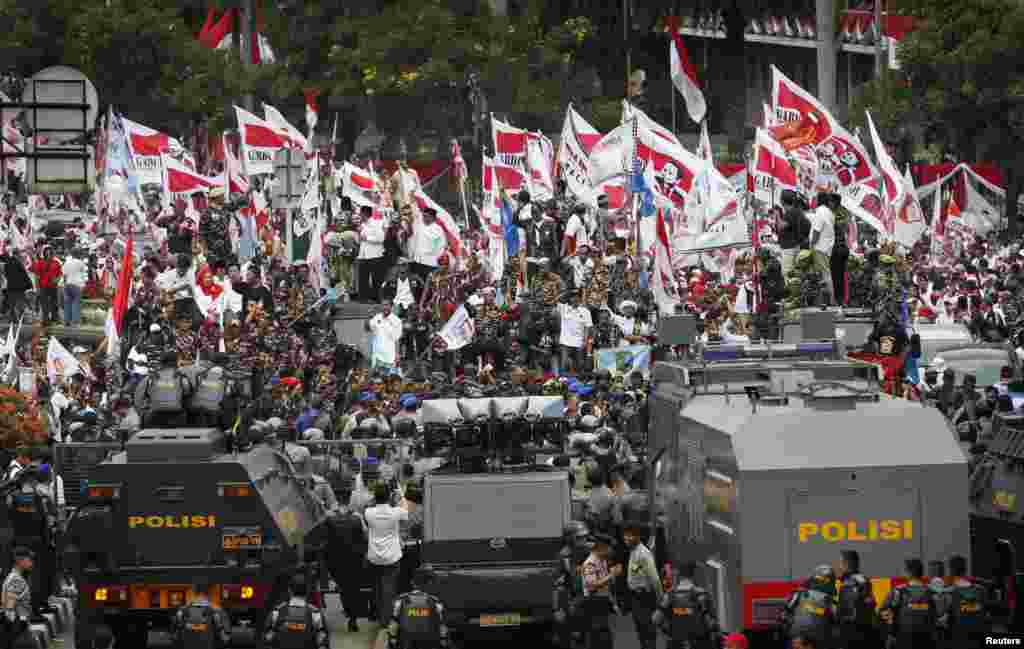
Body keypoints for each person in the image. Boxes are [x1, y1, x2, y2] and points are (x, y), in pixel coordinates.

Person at [364, 481, 410, 626]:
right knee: (389, 590)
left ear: (375, 497)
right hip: (392, 557)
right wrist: (400, 496)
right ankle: (386, 621)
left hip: (374, 557)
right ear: (389, 496)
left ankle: (379, 616)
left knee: (377, 588)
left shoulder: (368, 513)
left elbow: (368, 505)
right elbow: (406, 511)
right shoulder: (395, 512)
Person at [653, 560, 718, 649]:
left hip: (676, 643)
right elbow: (711, 624)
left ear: (680, 576)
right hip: (699, 644)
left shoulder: (669, 596)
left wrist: (668, 632)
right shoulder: (701, 595)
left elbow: (655, 619)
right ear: (694, 575)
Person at [327, 504, 368, 632]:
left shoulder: (329, 517)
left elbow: (326, 540)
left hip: (337, 560)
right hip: (355, 559)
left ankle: (349, 612)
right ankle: (353, 618)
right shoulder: (357, 517)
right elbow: (365, 536)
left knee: (343, 588)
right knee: (354, 588)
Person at [879, 558, 937, 649]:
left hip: (903, 641)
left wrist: (890, 633)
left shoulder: (897, 592)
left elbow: (884, 614)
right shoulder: (932, 593)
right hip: (927, 641)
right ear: (921, 573)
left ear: (907, 572)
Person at [263, 574, 330, 649]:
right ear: (307, 591)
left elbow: (267, 639)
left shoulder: (277, 612)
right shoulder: (315, 613)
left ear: (289, 590)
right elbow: (322, 641)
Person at [623, 523, 662, 649]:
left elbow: (655, 579)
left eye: (630, 536)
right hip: (636, 598)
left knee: (647, 633)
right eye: (625, 535)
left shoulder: (644, 554)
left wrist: (660, 601)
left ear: (637, 537)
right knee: (641, 632)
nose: (626, 538)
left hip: (644, 598)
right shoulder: (633, 552)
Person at [553, 522, 590, 649]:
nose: (584, 540)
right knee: (570, 635)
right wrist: (559, 608)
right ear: (570, 539)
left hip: (590, 600)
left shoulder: (591, 552)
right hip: (573, 601)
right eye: (580, 538)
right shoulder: (565, 556)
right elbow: (559, 584)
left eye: (585, 537)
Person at [940, 554, 990, 649]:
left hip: (960, 636)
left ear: (951, 570)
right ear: (965, 569)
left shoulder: (950, 591)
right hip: (979, 634)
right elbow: (985, 611)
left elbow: (944, 616)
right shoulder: (981, 589)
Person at [581, 533, 621, 649]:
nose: (611, 551)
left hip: (602, 601)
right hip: (594, 603)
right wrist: (611, 575)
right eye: (610, 548)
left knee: (605, 637)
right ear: (602, 547)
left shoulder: (602, 561)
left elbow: (605, 585)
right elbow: (592, 586)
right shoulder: (590, 563)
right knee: (598, 638)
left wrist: (613, 603)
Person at [781, 565, 836, 649]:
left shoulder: (798, 594)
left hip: (798, 637)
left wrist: (790, 632)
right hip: (818, 639)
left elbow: (784, 614)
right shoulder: (830, 600)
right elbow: (837, 620)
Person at [136, 351, 192, 428]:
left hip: (154, 418)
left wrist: (143, 414)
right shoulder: (182, 378)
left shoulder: (151, 377)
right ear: (176, 362)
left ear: (162, 363)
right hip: (177, 418)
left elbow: (138, 399)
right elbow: (188, 393)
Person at [173, 578, 231, 649]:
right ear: (209, 591)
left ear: (193, 590)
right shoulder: (218, 611)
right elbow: (226, 639)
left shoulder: (181, 611)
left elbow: (175, 637)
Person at [835, 550, 876, 649]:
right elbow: (871, 603)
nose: (839, 567)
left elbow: (848, 613)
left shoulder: (850, 583)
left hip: (852, 634)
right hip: (862, 632)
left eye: (840, 563)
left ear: (846, 564)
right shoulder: (863, 580)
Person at [2, 547, 34, 649]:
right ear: (20, 561)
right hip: (18, 629)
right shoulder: (16, 580)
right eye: (29, 559)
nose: (32, 563)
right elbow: (10, 609)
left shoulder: (15, 577)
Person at [187, 352, 229, 428]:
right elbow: (229, 392)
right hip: (214, 411)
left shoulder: (201, 374)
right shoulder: (227, 375)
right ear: (225, 363)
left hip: (196, 408)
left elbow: (194, 389)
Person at [809, 192, 836, 305]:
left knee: (825, 274)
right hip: (827, 247)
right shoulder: (829, 212)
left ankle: (831, 300)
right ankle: (826, 300)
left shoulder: (820, 211)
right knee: (825, 273)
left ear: (819, 200)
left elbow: (816, 230)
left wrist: (811, 244)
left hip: (820, 247)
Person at [357, 205, 388, 303]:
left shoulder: (376, 224)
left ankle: (376, 298)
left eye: (360, 214)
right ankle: (363, 298)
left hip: (375, 255)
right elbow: (361, 240)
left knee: (376, 279)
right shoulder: (362, 225)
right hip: (363, 255)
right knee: (362, 277)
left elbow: (381, 238)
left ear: (365, 214)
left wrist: (367, 238)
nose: (359, 215)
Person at [408, 207, 447, 285]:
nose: (423, 218)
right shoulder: (420, 226)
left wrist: (434, 257)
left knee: (428, 286)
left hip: (430, 263)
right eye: (423, 216)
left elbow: (441, 246)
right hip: (417, 261)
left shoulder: (437, 229)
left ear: (432, 217)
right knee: (417, 285)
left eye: (426, 216)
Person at [558, 290, 592, 374]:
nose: (575, 298)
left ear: (580, 298)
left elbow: (588, 328)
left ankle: (579, 381)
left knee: (579, 365)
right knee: (564, 364)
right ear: (569, 299)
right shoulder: (563, 308)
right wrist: (566, 294)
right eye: (573, 297)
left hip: (579, 342)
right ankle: (563, 381)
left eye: (577, 297)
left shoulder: (585, 311)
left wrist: (585, 341)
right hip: (565, 342)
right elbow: (556, 299)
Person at [778, 190, 811, 277]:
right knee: (793, 273)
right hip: (794, 245)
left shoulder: (791, 212)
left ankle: (790, 289)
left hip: (789, 248)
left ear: (783, 201)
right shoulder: (795, 211)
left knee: (787, 273)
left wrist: (777, 215)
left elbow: (781, 226)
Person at [366, 304, 403, 372]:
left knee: (392, 379)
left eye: (387, 305)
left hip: (390, 356)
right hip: (377, 355)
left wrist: (397, 355)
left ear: (390, 307)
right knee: (376, 378)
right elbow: (367, 328)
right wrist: (369, 316)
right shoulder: (376, 318)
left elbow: (397, 339)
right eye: (383, 305)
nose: (385, 307)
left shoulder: (396, 320)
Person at [30, 246, 61, 324]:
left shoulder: (56, 263)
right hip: (43, 286)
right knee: (44, 304)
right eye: (47, 253)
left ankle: (55, 318)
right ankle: (45, 319)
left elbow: (60, 274)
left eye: (50, 253)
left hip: (53, 286)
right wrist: (37, 287)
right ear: (44, 253)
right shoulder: (40, 263)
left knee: (54, 303)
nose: (49, 254)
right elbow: (37, 276)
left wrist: (57, 280)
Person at [1, 251, 32, 321]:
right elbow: (24, 274)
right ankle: (22, 318)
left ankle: (13, 318)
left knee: (12, 303)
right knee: (21, 302)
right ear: (17, 255)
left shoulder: (7, 264)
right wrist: (29, 284)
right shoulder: (18, 262)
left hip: (11, 286)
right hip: (20, 287)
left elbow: (6, 274)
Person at [61, 247, 87, 326]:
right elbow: (83, 275)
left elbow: (64, 275)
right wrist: (84, 285)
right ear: (79, 254)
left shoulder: (66, 262)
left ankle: (66, 321)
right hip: (77, 284)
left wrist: (64, 287)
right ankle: (75, 322)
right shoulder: (80, 262)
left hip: (67, 284)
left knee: (67, 303)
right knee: (76, 303)